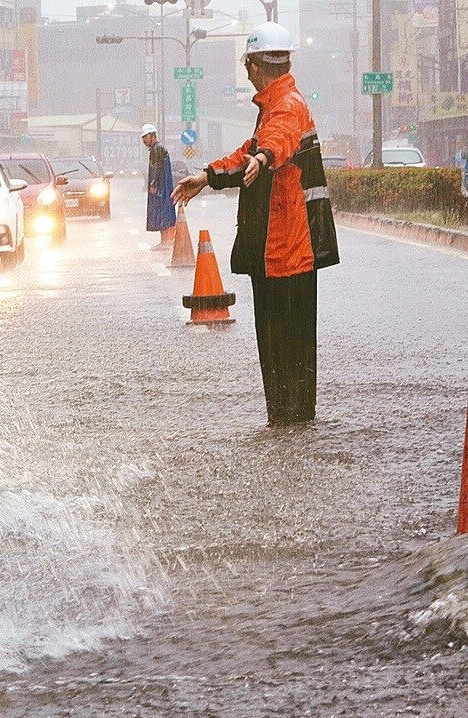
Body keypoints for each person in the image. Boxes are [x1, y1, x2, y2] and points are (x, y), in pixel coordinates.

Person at [172, 21, 339, 426]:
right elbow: (249, 151)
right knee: (288, 345)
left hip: (287, 247)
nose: (246, 71)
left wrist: (262, 158)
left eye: (248, 63)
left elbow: (275, 144)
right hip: (283, 247)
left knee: (284, 344)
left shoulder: (286, 105)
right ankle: (290, 420)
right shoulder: (277, 105)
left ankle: (290, 420)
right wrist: (208, 176)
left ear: (259, 65)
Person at [141, 124, 176, 248]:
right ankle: (164, 241)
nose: (144, 140)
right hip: (163, 186)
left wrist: (153, 184)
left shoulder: (157, 149)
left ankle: (165, 241)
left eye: (146, 137)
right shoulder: (157, 149)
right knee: (163, 211)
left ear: (153, 135)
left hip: (162, 188)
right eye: (143, 138)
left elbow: (157, 168)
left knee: (162, 212)